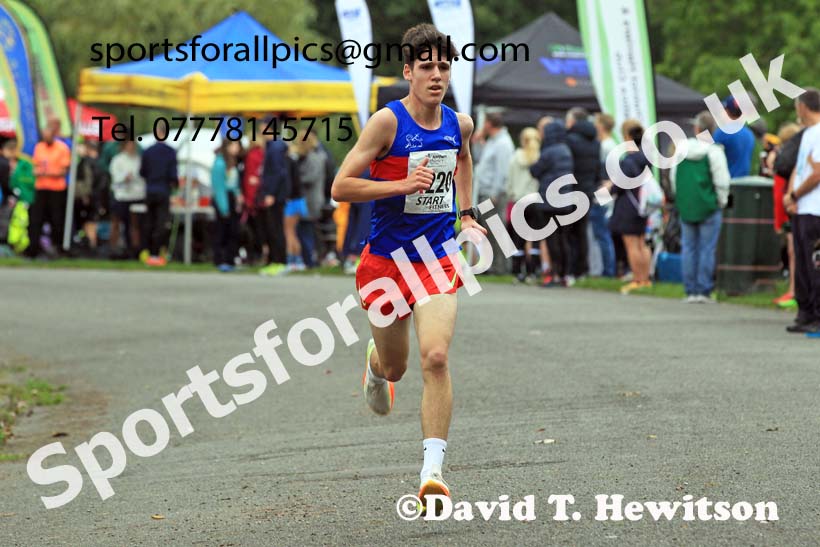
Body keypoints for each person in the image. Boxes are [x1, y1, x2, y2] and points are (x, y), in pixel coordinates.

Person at [330, 23, 485, 511]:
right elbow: (341, 187)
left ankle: (432, 471)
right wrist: (400, 186)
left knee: (435, 357)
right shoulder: (386, 123)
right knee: (396, 368)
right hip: (384, 263)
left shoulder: (459, 124)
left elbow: (463, 162)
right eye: (427, 67)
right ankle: (375, 366)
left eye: (444, 66)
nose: (437, 75)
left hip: (437, 257)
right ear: (408, 71)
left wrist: (467, 215)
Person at [670, 111, 730, 303]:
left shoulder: (680, 150)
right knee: (707, 249)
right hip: (709, 205)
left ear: (696, 128)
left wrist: (679, 198)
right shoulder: (714, 151)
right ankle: (703, 290)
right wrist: (722, 201)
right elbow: (722, 181)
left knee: (688, 248)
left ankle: (690, 290)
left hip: (687, 205)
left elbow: (673, 178)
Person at [783, 88, 820, 334]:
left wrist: (796, 194)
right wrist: (790, 195)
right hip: (802, 207)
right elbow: (800, 167)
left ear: (803, 107)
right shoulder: (807, 133)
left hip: (815, 208)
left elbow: (817, 172)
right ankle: (805, 312)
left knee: (814, 263)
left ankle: (816, 313)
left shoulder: (818, 133)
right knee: (802, 262)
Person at [607, 119, 653, 294]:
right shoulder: (646, 157)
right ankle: (646, 279)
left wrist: (608, 188)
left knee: (631, 244)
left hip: (628, 205)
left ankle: (637, 279)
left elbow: (620, 185)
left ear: (627, 136)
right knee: (642, 243)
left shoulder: (628, 160)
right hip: (643, 204)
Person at [529, 121, 575, 286]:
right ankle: (565, 274)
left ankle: (554, 274)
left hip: (549, 202)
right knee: (564, 238)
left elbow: (535, 171)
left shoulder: (548, 152)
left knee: (551, 239)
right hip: (566, 200)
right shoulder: (566, 150)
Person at [473, 112, 514, 274]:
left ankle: (502, 267)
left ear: (489, 124)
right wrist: (477, 142)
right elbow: (480, 160)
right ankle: (492, 265)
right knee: (489, 231)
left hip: (493, 193)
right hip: (486, 191)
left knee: (497, 231)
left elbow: (502, 171)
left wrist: (495, 193)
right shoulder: (493, 142)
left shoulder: (503, 143)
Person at [564, 107, 600, 283]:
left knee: (569, 233)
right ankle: (582, 269)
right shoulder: (595, 141)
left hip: (571, 190)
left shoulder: (569, 140)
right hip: (587, 190)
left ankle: (570, 269)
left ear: (573, 121)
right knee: (582, 232)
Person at [771, 122, 804, 308]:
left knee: (795, 252)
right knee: (795, 252)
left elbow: (778, 194)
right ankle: (794, 289)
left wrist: (779, 220)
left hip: (793, 209)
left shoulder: (789, 164)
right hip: (795, 208)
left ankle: (794, 290)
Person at [27, 123, 71, 258]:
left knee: (56, 219)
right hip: (41, 188)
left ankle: (57, 247)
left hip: (57, 190)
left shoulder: (62, 148)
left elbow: (62, 171)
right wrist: (44, 173)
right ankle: (34, 247)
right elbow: (35, 168)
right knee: (36, 219)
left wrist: (46, 172)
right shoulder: (39, 147)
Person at [505, 127, 541, 283]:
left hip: (518, 201)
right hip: (534, 201)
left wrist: (512, 194)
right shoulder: (539, 158)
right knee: (534, 238)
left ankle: (517, 272)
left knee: (518, 239)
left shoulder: (515, 158)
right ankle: (533, 271)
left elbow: (509, 182)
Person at [139, 124, 178, 266]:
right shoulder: (170, 152)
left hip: (150, 190)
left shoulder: (147, 151)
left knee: (149, 222)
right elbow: (173, 176)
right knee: (161, 223)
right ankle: (157, 252)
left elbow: (142, 172)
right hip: (163, 191)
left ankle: (147, 251)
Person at [259, 118, 291, 273]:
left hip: (275, 196)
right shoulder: (273, 146)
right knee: (272, 228)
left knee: (276, 229)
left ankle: (279, 262)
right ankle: (274, 261)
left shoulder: (276, 147)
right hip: (274, 194)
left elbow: (278, 172)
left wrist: (271, 193)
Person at [109, 140, 145, 258]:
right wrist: (124, 177)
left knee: (135, 225)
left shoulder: (139, 160)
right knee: (116, 223)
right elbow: (114, 177)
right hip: (121, 195)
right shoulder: (118, 160)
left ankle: (135, 250)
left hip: (136, 195)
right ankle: (114, 249)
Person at [211, 140, 243, 271]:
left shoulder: (233, 163)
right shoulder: (219, 163)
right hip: (223, 198)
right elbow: (219, 187)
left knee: (233, 230)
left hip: (231, 197)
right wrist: (224, 208)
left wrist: (238, 196)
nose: (237, 148)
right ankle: (220, 259)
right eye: (234, 145)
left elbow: (234, 183)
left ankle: (230, 259)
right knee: (222, 229)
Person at [592, 113, 617, 277]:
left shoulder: (606, 146)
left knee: (602, 232)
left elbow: (609, 173)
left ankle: (608, 271)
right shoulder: (609, 144)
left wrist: (601, 195)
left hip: (604, 191)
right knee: (601, 232)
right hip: (606, 191)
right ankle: (607, 269)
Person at [73, 141, 105, 254]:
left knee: (89, 222)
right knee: (90, 222)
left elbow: (87, 183)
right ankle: (91, 246)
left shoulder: (86, 163)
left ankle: (90, 247)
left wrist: (86, 195)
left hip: (88, 197)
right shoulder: (99, 162)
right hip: (94, 197)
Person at [713, 96, 755, 178]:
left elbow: (711, 159)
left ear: (727, 111)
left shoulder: (722, 132)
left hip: (727, 184)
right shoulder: (749, 134)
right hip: (744, 185)